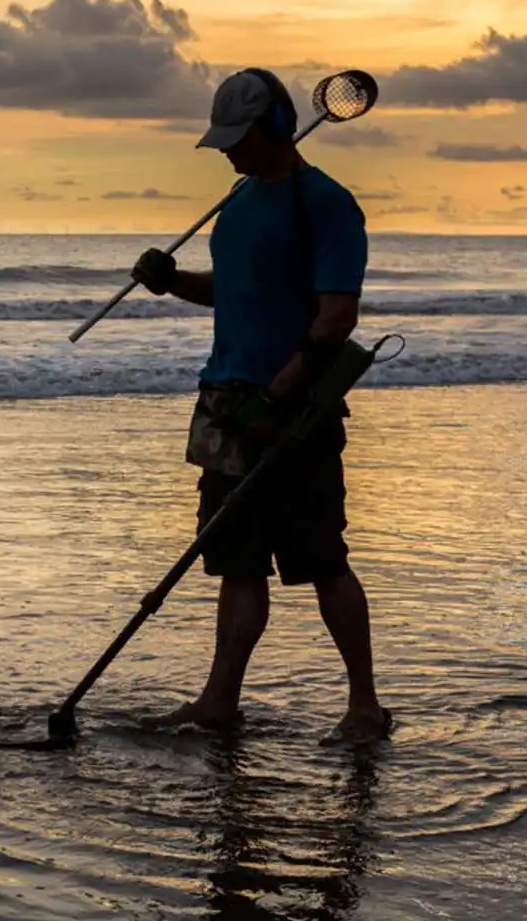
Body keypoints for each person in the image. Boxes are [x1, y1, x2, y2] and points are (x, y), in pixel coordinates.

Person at [131, 67, 390, 745]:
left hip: (294, 417)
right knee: (235, 561)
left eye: (237, 138)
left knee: (321, 559)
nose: (226, 151)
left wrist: (283, 387)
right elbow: (233, 290)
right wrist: (170, 282)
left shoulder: (326, 205)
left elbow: (337, 314)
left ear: (274, 128)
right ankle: (219, 702)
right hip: (225, 409)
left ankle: (365, 707)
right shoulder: (238, 202)